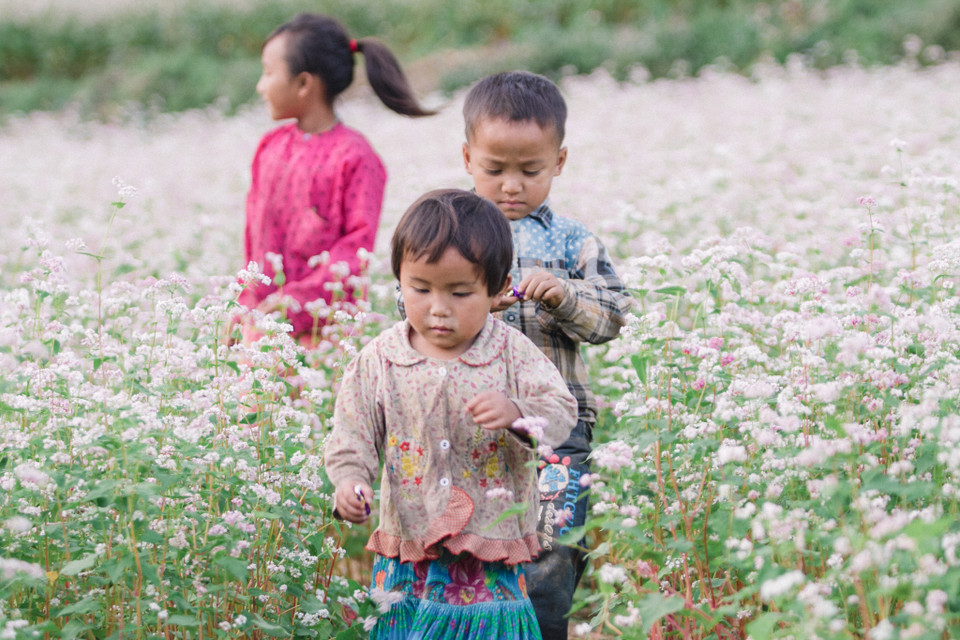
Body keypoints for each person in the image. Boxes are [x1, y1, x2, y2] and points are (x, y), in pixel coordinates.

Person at [324, 189, 578, 639]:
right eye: (420, 289)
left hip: (489, 549)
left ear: (497, 289)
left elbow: (560, 412)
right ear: (399, 280)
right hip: (410, 545)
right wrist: (350, 481)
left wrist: (517, 413)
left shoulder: (510, 352)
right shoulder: (379, 358)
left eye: (461, 293)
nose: (438, 308)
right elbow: (352, 432)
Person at [460, 71, 632, 638]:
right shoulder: (450, 235)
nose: (511, 185)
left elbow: (614, 316)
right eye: (495, 169)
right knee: (470, 553)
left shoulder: (573, 241)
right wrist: (469, 303)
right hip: (470, 426)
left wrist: (564, 296)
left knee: (552, 557)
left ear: (558, 162)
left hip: (559, 429)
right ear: (467, 158)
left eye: (530, 171)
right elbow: (408, 305)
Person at [228, 13, 433, 347]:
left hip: (325, 335)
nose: (260, 86)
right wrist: (243, 306)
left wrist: (293, 303)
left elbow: (355, 250)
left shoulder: (356, 157)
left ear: (303, 84)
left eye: (268, 73)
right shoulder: (269, 147)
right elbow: (254, 242)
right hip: (261, 327)